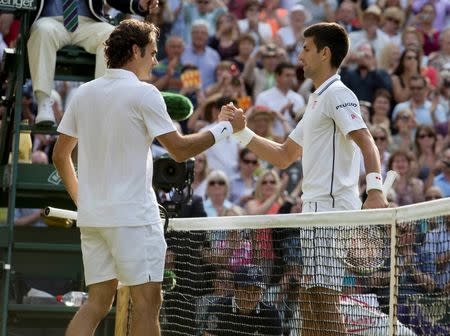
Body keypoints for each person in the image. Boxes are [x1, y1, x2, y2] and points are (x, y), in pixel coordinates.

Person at [52, 19, 244, 336]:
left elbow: (61, 156)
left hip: (93, 217)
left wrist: (83, 201)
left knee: (97, 303)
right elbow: (180, 150)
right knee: (147, 303)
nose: (155, 61)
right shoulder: (145, 94)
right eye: (152, 53)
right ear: (135, 50)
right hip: (133, 219)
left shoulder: (84, 93)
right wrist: (224, 128)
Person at [223, 22, 388, 336]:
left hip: (333, 209)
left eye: (306, 48)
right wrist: (243, 132)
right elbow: (285, 155)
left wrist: (376, 189)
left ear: (324, 53)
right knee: (309, 302)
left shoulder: (339, 93)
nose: (299, 55)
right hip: (312, 211)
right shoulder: (316, 100)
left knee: (324, 304)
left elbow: (367, 140)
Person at [27, 0, 156, 127]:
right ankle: (43, 101)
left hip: (88, 22)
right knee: (42, 30)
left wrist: (138, 4)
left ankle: (102, 104)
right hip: (50, 20)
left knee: (112, 36)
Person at [204, 265, 282, 336]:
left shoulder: (270, 314)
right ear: (235, 288)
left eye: (256, 290)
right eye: (246, 290)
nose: (251, 297)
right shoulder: (218, 308)